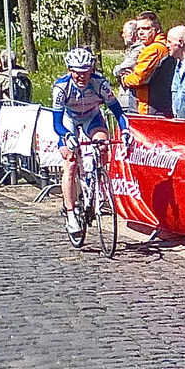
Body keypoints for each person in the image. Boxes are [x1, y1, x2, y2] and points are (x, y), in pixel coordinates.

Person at [51, 46, 129, 238]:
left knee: (102, 144)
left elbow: (117, 111)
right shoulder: (62, 87)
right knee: (70, 161)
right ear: (70, 71)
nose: (81, 77)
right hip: (68, 120)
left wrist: (126, 131)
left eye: (86, 72)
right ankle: (70, 213)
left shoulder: (99, 83)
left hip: (91, 116)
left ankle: (96, 180)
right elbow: (56, 122)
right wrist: (67, 137)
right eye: (77, 73)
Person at [120, 11, 176, 117]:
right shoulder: (161, 46)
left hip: (148, 108)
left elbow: (137, 79)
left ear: (157, 29)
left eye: (146, 28)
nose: (141, 32)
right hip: (157, 105)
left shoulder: (153, 49)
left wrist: (124, 78)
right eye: (138, 29)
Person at [113, 19, 142, 112]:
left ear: (131, 34)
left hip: (132, 100)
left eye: (124, 32)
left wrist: (118, 70)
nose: (122, 35)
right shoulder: (132, 49)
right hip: (127, 98)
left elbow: (119, 70)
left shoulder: (139, 50)